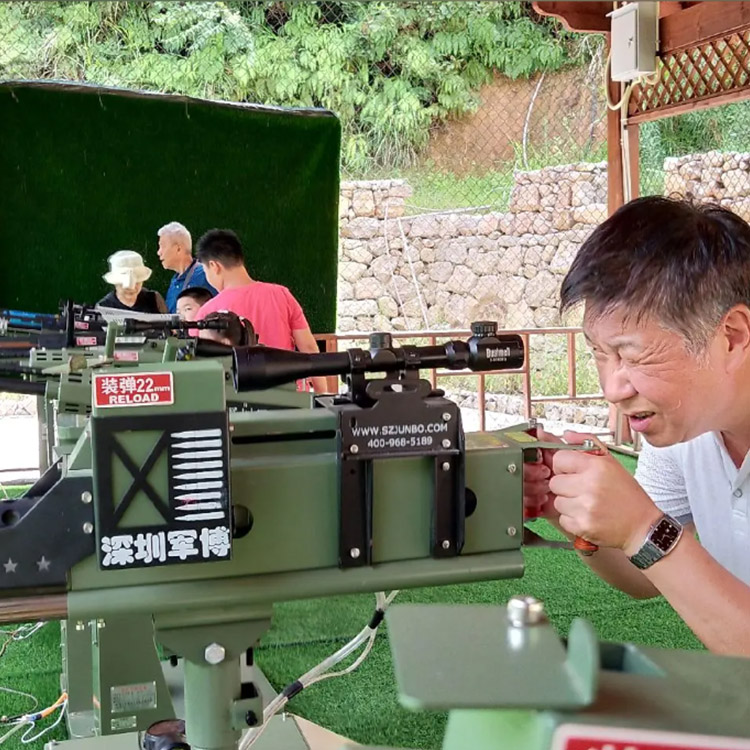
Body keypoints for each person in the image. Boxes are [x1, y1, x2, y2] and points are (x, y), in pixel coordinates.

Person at [523, 196, 750, 657]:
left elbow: (649, 542)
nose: (612, 388)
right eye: (599, 353)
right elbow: (646, 573)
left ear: (732, 337)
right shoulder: (683, 424)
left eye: (632, 355)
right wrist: (563, 507)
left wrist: (642, 528)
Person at [194, 229, 327, 393]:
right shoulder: (281, 295)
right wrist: (323, 397)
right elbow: (309, 348)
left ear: (214, 266)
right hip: (291, 398)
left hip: (238, 404)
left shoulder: (206, 313)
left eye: (205, 271)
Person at [157, 221, 216, 313]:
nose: (159, 252)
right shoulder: (174, 282)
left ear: (178, 248)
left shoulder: (204, 274)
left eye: (162, 246)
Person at [98, 250, 167, 313]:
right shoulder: (103, 307)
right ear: (115, 282)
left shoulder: (154, 300)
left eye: (137, 282)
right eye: (124, 283)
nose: (132, 288)